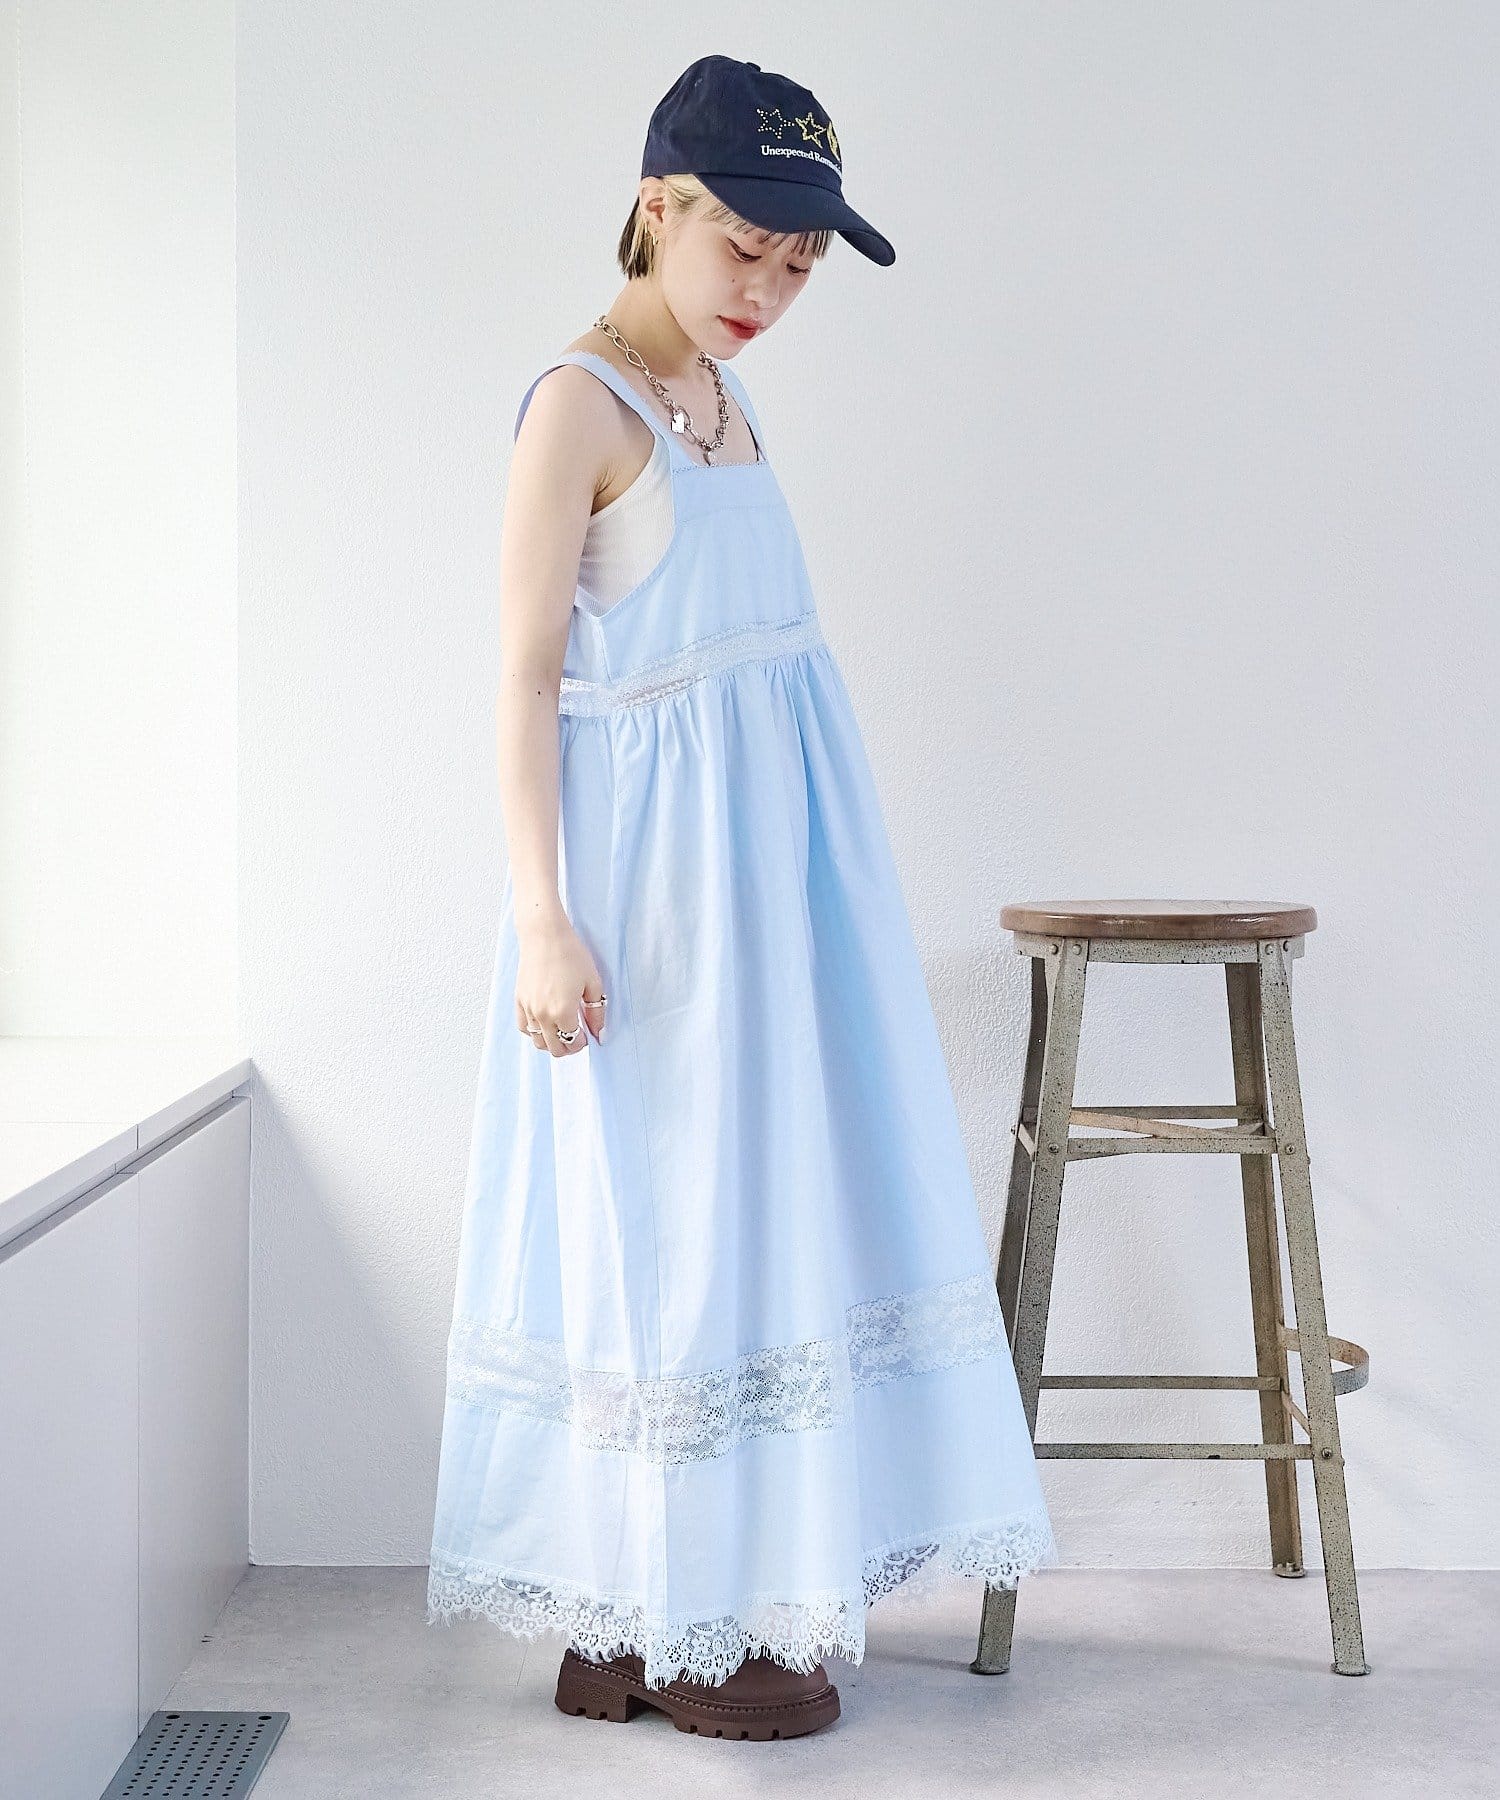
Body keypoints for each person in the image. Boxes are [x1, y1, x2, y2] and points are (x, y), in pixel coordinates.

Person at [426, 54, 1058, 1741]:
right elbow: (526, 676)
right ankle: (671, 1622)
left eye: (801, 262)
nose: (770, 288)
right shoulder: (581, 406)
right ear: (658, 205)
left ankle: (682, 1606)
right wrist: (541, 916)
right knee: (675, 1233)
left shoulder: (718, 395)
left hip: (774, 896)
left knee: (762, 1218)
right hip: (659, 900)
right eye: (746, 246)